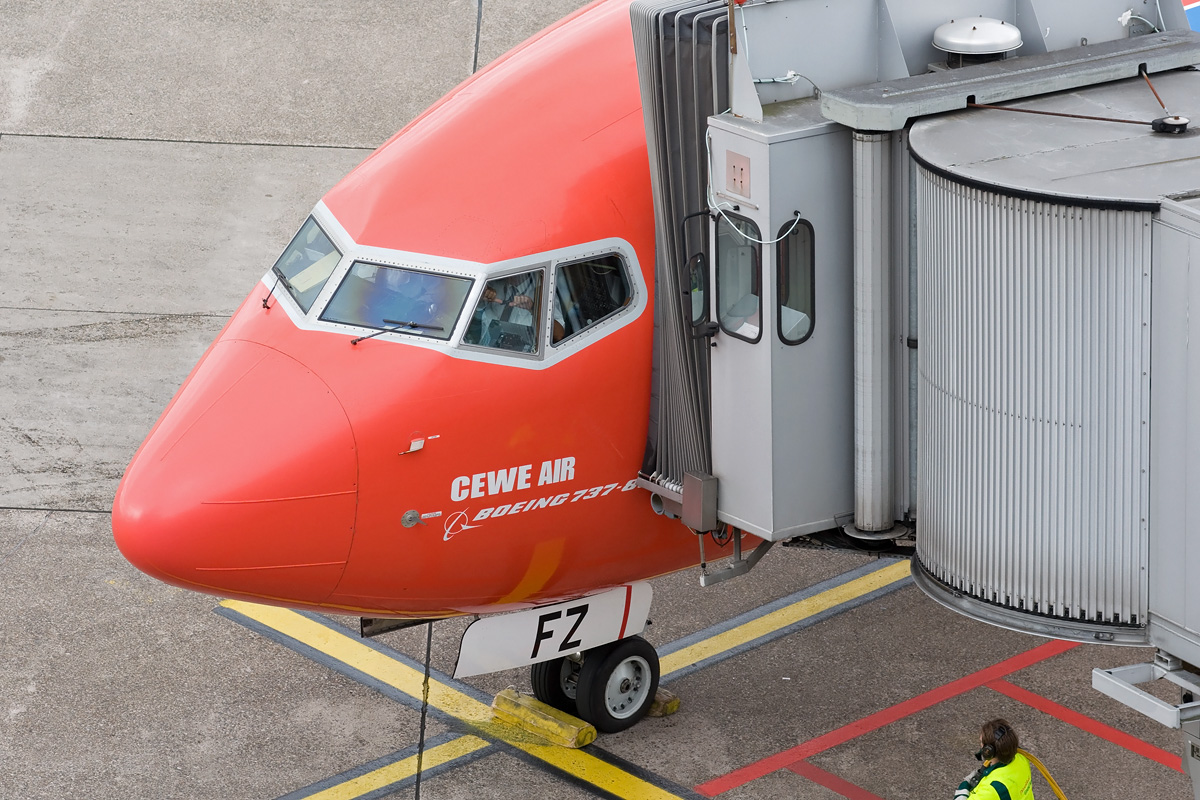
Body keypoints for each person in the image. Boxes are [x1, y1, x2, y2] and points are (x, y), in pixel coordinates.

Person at [954, 719, 1034, 800]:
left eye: (981, 742)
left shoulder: (992, 789)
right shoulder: (1021, 757)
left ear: (988, 751)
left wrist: (964, 785)